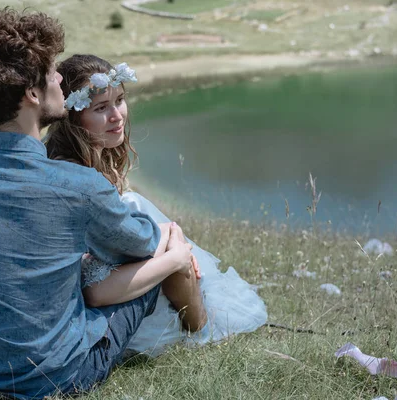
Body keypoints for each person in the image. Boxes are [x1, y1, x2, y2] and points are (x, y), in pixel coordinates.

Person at [0, 8, 203, 399]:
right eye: (53, 71)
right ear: (32, 94)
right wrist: (172, 241)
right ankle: (203, 324)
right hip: (56, 377)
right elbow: (141, 244)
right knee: (160, 255)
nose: (61, 78)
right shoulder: (76, 185)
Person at [45, 54, 268, 356]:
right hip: (88, 299)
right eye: (101, 108)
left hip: (105, 278)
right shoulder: (72, 175)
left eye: (120, 100)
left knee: (154, 222)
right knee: (168, 239)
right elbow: (89, 278)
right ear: (73, 118)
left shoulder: (88, 159)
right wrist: (171, 247)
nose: (117, 115)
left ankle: (195, 317)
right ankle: (198, 327)